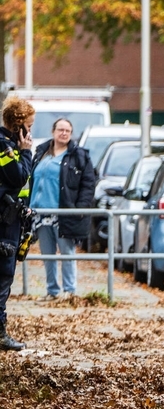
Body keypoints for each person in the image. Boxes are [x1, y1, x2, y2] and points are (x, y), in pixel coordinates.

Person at [30, 117, 96, 300]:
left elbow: (88, 184)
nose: (64, 133)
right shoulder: (42, 152)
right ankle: (52, 291)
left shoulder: (79, 156)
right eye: (60, 130)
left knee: (67, 251)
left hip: (64, 212)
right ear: (53, 132)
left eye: (67, 130)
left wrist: (80, 207)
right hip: (41, 213)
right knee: (47, 254)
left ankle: (69, 291)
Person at [0, 96, 35, 351]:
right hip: (4, 224)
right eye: (29, 127)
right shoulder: (4, 147)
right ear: (18, 124)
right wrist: (26, 152)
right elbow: (18, 177)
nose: (31, 132)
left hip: (11, 222)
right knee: (2, 278)